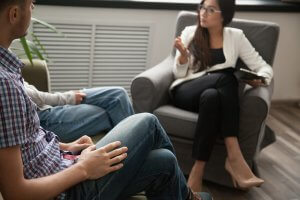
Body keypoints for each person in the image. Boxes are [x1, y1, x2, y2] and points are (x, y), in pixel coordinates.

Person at [0, 0, 213, 199]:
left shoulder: (8, 69)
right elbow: (15, 193)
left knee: (165, 162)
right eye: (31, 4)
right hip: (69, 191)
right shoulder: (5, 85)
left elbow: (29, 141)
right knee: (148, 122)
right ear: (14, 13)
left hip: (63, 165)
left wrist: (66, 148)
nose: (33, 9)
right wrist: (82, 168)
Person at [171, 0, 273, 192]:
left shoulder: (236, 36)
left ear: (224, 15)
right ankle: (234, 156)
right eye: (202, 7)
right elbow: (178, 74)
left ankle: (197, 172)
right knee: (228, 77)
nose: (203, 13)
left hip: (208, 97)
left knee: (212, 97)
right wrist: (183, 58)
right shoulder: (189, 33)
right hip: (185, 92)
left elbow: (263, 66)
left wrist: (260, 79)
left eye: (210, 10)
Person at [25, 81, 134, 142]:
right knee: (111, 111)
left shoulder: (10, 58)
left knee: (118, 94)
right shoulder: (7, 73)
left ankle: (140, 144)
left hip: (47, 108)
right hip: (44, 120)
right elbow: (27, 95)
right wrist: (68, 98)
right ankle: (136, 148)